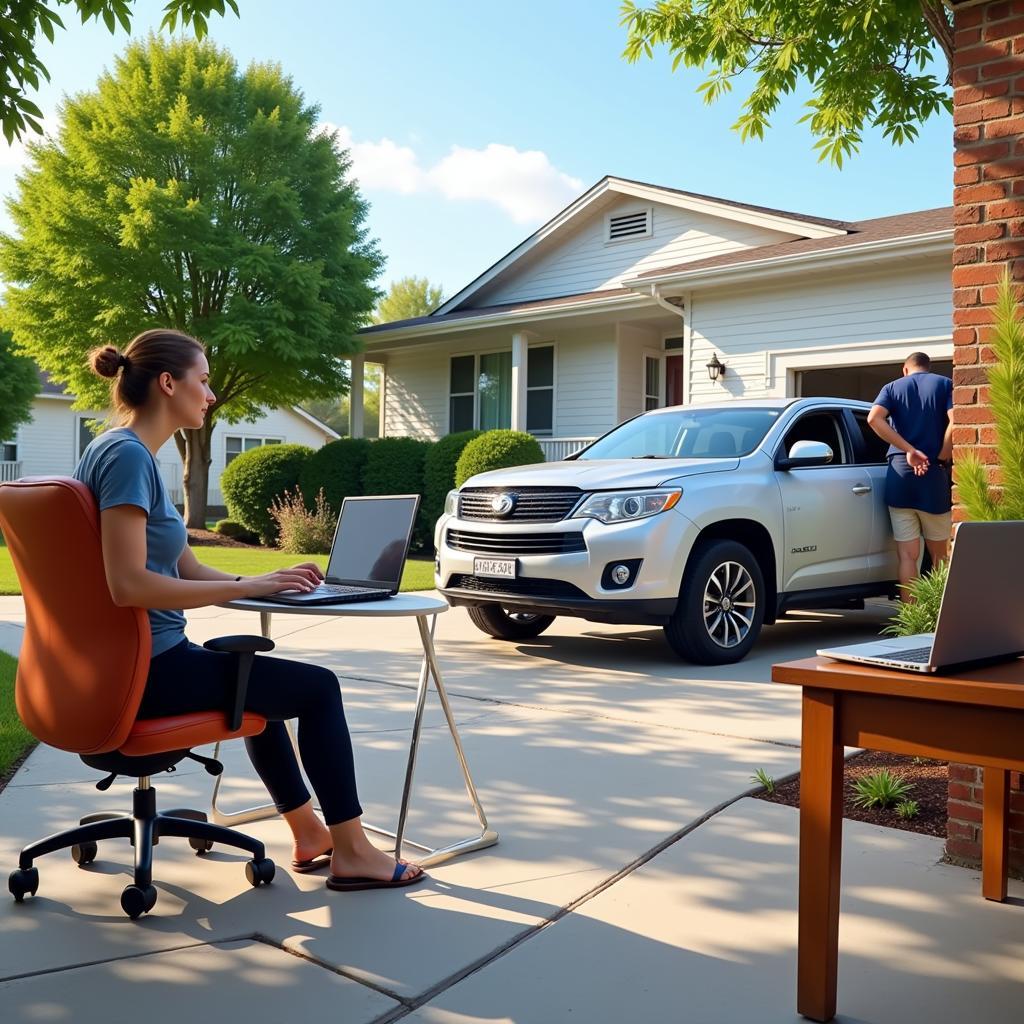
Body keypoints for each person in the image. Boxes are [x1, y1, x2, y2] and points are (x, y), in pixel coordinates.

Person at [73, 328, 425, 892]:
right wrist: (244, 588)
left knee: (255, 681)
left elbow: (186, 568)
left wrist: (261, 582)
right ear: (169, 383)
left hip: (137, 661)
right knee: (316, 688)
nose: (210, 394)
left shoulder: (124, 451)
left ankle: (309, 833)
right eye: (204, 380)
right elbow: (128, 585)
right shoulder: (127, 457)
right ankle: (354, 851)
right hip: (147, 672)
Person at [867, 351, 954, 597]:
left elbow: (874, 419)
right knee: (940, 555)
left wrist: (908, 449)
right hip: (933, 476)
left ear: (905, 369)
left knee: (907, 556)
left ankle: (910, 621)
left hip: (899, 475)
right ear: (928, 367)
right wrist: (941, 456)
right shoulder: (944, 384)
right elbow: (956, 420)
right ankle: (938, 615)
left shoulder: (892, 387)